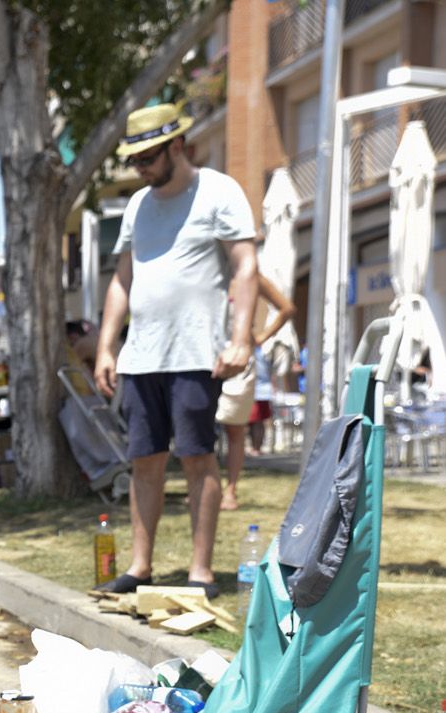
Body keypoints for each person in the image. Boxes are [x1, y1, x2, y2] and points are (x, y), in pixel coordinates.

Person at [94, 102, 258, 599]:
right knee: (145, 460)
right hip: (142, 356)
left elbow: (246, 266)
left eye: (147, 157)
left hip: (195, 353)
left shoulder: (219, 191)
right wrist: (106, 347)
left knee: (196, 458)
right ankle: (140, 568)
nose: (140, 168)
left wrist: (241, 338)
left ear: (177, 145)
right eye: (134, 160)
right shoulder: (138, 206)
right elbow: (122, 278)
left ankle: (200, 571)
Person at [216, 274, 294, 510]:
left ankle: (230, 490)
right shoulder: (208, 267)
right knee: (200, 428)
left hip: (240, 360)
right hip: (206, 356)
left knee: (235, 429)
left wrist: (260, 338)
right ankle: (204, 487)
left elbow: (287, 309)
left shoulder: (250, 276)